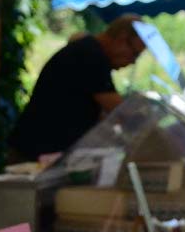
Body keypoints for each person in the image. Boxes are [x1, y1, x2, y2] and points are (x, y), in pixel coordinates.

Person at [8, 15, 147, 161]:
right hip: (35, 153)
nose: (132, 61)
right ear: (121, 39)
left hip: (45, 152)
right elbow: (119, 110)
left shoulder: (92, 52)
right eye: (135, 54)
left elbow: (106, 114)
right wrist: (153, 129)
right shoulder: (91, 55)